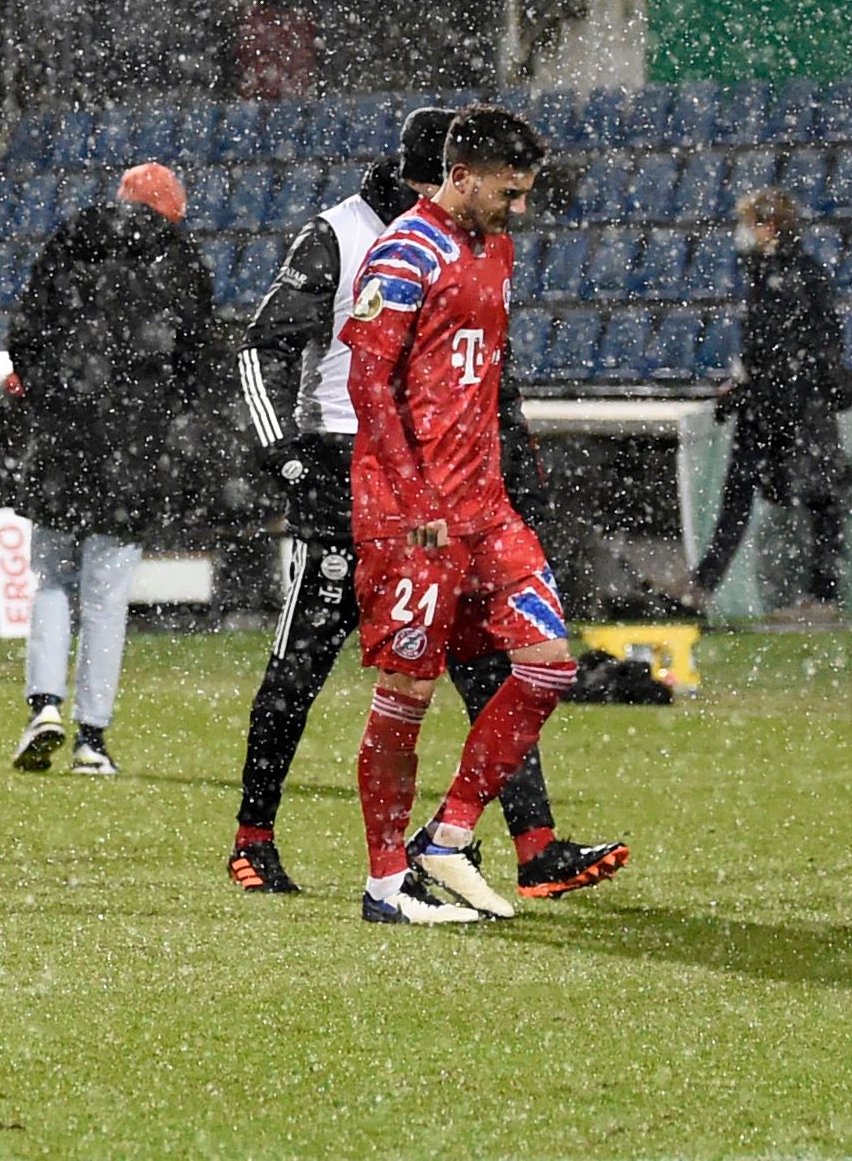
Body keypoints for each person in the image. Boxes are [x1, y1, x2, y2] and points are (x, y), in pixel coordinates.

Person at [227, 108, 625, 900]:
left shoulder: (479, 246)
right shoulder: (345, 236)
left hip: (457, 488)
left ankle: (522, 842)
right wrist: (285, 458)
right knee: (303, 667)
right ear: (439, 172)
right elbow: (266, 343)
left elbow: (485, 375)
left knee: (493, 668)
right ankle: (256, 837)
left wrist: (514, 474)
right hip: (355, 470)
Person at [343, 104, 587, 925]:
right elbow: (366, 386)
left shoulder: (499, 251)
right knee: (405, 694)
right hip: (410, 518)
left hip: (482, 509)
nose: (517, 208)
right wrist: (412, 502)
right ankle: (384, 886)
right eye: (507, 192)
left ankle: (445, 837)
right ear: (463, 174)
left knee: (548, 661)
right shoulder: (403, 250)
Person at [6, 163, 215, 774]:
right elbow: (197, 361)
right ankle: (91, 737)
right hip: (136, 445)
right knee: (106, 596)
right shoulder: (181, 262)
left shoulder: (68, 242)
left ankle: (43, 703)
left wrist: (53, 394)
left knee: (49, 577)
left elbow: (25, 333)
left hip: (64, 435)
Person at [690, 188, 852, 614]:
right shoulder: (780, 274)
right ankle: (818, 591)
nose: (743, 235)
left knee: (806, 498)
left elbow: (787, 348)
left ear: (769, 227)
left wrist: (753, 391)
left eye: (750, 224)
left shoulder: (787, 278)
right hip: (781, 403)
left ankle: (819, 593)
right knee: (805, 498)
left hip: (788, 406)